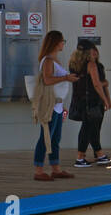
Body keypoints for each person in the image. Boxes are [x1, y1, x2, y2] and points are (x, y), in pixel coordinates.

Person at [31, 30, 78, 181]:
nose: (64, 43)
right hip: (49, 104)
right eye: (62, 41)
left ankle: (55, 168)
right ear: (56, 42)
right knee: (45, 137)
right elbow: (47, 80)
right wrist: (66, 77)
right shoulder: (48, 60)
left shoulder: (54, 59)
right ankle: (38, 170)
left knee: (55, 138)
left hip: (57, 104)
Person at [68, 39, 111, 167]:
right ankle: (80, 158)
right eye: (92, 50)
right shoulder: (92, 65)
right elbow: (97, 84)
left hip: (79, 101)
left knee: (90, 129)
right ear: (88, 52)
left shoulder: (73, 64)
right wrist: (106, 100)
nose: (95, 52)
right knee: (89, 129)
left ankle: (99, 154)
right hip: (92, 102)